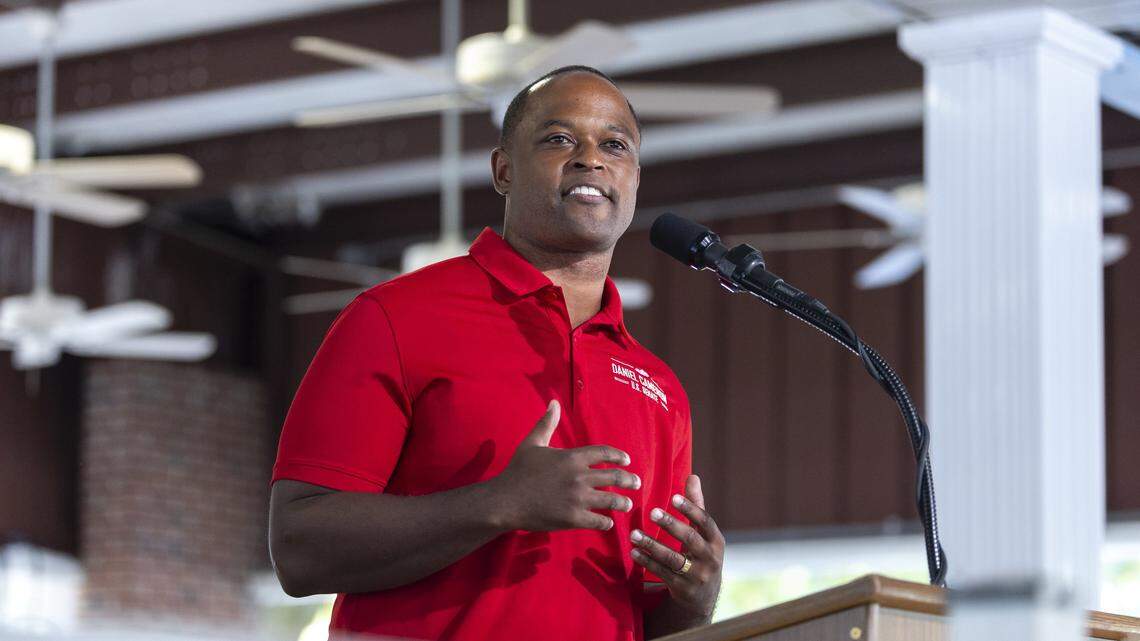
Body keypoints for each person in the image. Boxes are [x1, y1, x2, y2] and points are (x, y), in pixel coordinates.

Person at [268, 65, 725, 641]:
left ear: (634, 179)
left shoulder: (661, 390)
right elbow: (297, 547)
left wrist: (695, 599)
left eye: (615, 144)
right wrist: (497, 504)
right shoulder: (394, 318)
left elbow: (644, 618)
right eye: (559, 139)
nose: (591, 157)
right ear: (503, 169)